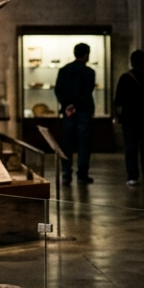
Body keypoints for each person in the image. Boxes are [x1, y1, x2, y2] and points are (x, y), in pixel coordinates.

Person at [114, 50, 144, 186]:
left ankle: (132, 176)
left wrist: (117, 116)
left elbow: (118, 100)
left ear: (132, 62)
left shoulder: (125, 78)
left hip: (130, 118)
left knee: (131, 148)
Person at [55, 42, 97, 185]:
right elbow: (87, 91)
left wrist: (67, 105)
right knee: (83, 143)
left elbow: (58, 90)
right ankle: (82, 174)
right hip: (83, 110)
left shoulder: (64, 70)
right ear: (86, 55)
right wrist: (76, 105)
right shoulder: (89, 72)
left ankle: (66, 173)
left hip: (68, 112)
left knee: (67, 142)